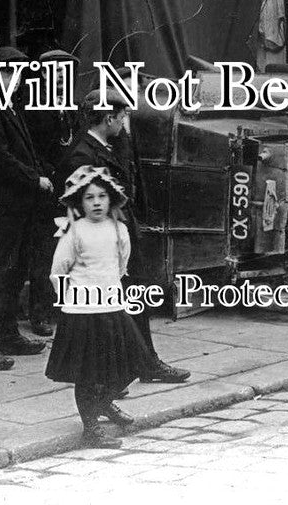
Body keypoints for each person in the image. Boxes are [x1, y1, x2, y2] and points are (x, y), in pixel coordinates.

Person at [61, 89, 191, 384]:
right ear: (108, 118)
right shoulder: (84, 155)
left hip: (120, 235)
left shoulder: (105, 147)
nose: (123, 124)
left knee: (134, 300)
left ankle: (140, 366)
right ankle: (113, 376)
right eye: (121, 117)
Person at [46, 166, 154, 449]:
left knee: (132, 361)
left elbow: (120, 266)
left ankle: (104, 403)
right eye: (89, 197)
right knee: (88, 372)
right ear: (80, 203)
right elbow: (58, 270)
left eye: (102, 196)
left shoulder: (119, 230)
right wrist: (73, 299)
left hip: (111, 307)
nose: (96, 202)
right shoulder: (74, 231)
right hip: (82, 312)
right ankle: (90, 427)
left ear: (111, 200)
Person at [0, 46, 50, 370]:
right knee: (1, 273)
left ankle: (7, 334)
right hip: (6, 204)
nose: (17, 82)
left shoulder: (6, 107)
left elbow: (21, 152)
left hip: (19, 204)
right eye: (13, 75)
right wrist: (36, 180)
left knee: (15, 271)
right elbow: (0, 159)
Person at [21, 49, 83, 337]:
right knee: (44, 253)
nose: (60, 76)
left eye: (65, 71)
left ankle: (66, 306)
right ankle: (40, 313)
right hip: (46, 191)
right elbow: (30, 149)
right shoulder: (32, 106)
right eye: (54, 70)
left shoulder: (75, 107)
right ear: (43, 74)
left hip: (73, 189)